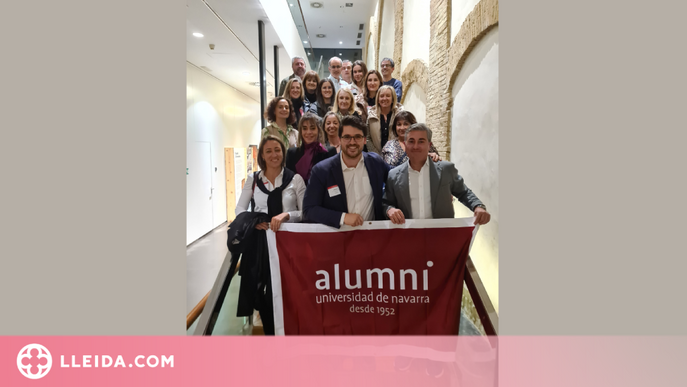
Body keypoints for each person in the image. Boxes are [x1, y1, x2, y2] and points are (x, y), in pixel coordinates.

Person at [235, 135, 306, 335]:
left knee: (288, 291)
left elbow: (306, 212)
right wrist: (254, 221)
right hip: (261, 244)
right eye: (269, 151)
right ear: (262, 156)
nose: (274, 154)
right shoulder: (254, 180)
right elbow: (240, 208)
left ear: (283, 153)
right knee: (263, 294)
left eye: (277, 150)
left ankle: (290, 334)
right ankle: (271, 336)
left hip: (289, 244)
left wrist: (287, 215)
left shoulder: (295, 179)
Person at [383, 123, 491, 225]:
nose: (415, 146)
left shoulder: (446, 169)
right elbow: (386, 202)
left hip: (441, 234)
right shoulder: (393, 175)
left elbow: (463, 192)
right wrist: (389, 209)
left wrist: (478, 206)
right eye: (411, 141)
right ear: (405, 145)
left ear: (429, 145)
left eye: (421, 141)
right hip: (409, 235)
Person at [303, 115, 390, 229]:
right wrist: (342, 217)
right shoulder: (321, 171)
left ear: (364, 140)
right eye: (347, 137)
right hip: (339, 240)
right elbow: (309, 210)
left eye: (357, 137)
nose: (352, 142)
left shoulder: (375, 162)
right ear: (339, 139)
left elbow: (397, 176)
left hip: (371, 238)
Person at [285, 112, 337, 184]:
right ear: (300, 131)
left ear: (318, 130)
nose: (309, 132)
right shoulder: (291, 154)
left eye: (312, 128)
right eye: (305, 128)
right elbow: (288, 183)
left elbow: (333, 181)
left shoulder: (329, 152)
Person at [366, 85, 403, 156]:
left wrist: (393, 155)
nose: (384, 98)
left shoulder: (400, 115)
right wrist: (377, 155)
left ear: (392, 98)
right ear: (378, 99)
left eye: (388, 96)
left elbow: (403, 136)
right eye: (382, 96)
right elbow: (368, 138)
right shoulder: (371, 115)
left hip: (395, 156)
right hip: (376, 157)